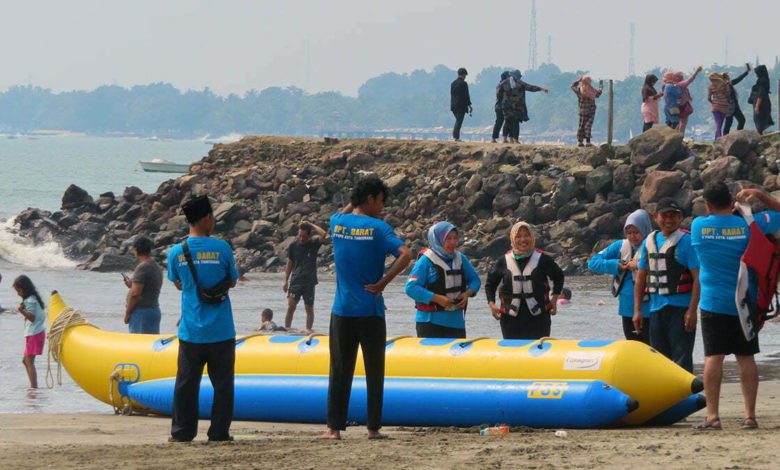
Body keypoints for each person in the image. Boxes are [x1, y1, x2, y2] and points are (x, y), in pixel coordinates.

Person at [322, 176, 412, 440]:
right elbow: (406, 254)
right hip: (370, 311)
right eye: (381, 201)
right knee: (374, 370)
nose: (383, 207)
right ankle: (373, 428)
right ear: (371, 199)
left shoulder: (337, 222)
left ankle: (334, 429)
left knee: (339, 370)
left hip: (342, 310)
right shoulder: (379, 228)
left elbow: (344, 211)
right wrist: (384, 281)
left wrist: (355, 200)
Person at [690, 183, 780, 430]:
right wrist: (760, 196)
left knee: (713, 357)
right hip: (745, 302)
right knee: (746, 356)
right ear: (732, 202)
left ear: (708, 204)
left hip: (712, 302)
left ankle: (712, 416)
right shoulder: (750, 225)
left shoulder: (698, 227)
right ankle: (750, 415)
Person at [167, 195, 239, 443]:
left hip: (191, 331)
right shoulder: (222, 248)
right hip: (221, 330)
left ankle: (182, 433)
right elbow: (232, 280)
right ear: (207, 218)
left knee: (186, 385)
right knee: (223, 386)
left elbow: (177, 282)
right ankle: (219, 433)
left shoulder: (176, 252)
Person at [633, 198, 700, 372]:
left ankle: (686, 398)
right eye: (665, 215)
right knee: (659, 359)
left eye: (674, 215)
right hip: (655, 310)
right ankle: (665, 398)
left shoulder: (686, 242)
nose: (669, 220)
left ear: (680, 218)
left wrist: (692, 311)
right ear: (656, 217)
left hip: (681, 310)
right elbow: (641, 277)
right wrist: (637, 310)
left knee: (682, 357)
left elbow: (698, 278)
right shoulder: (649, 241)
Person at [485, 222, 564, 339]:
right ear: (513, 239)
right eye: (518, 236)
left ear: (532, 237)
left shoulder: (543, 259)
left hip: (539, 318)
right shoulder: (503, 261)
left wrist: (554, 298)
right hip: (510, 320)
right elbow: (490, 284)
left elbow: (559, 276)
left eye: (526, 235)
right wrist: (491, 304)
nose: (523, 239)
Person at [404, 221, 481, 338]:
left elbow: (475, 280)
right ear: (438, 239)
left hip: (456, 323)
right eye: (448, 239)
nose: (453, 242)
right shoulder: (426, 261)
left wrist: (467, 293)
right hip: (429, 322)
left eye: (455, 238)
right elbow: (410, 288)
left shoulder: (461, 259)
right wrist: (437, 298)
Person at [588, 209, 653, 343]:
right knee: (632, 345)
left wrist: (640, 265)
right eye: (629, 233)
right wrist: (618, 264)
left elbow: (664, 265)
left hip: (650, 307)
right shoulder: (620, 246)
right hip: (627, 307)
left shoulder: (654, 245)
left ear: (645, 230)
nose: (632, 236)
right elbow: (593, 263)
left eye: (636, 232)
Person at [283, 220, 328, 332]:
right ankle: (287, 329)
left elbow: (324, 235)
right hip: (296, 281)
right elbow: (289, 263)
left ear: (308, 235)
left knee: (309, 308)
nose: (301, 238)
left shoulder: (314, 243)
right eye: (300, 235)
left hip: (309, 282)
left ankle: (308, 330)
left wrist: (311, 225)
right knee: (291, 306)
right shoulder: (293, 245)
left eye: (303, 236)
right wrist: (285, 280)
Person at [123, 236, 163, 334]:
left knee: (138, 346)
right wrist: (131, 285)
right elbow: (148, 287)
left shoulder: (142, 267)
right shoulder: (156, 266)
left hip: (142, 313)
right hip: (153, 310)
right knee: (150, 346)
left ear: (136, 249)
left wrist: (127, 313)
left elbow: (135, 294)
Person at [497, 70, 549, 144]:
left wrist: (502, 101)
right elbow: (530, 87)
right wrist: (541, 89)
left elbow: (498, 94)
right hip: (517, 106)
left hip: (506, 106)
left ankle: (505, 139)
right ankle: (515, 140)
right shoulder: (519, 83)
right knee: (515, 123)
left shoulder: (504, 83)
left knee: (507, 122)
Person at [13, 275, 46, 388]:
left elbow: (32, 317)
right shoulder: (33, 299)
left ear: (25, 289)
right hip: (35, 333)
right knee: (25, 361)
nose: (18, 293)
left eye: (19, 290)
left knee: (29, 361)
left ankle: (34, 387)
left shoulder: (30, 300)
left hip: (34, 333)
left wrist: (21, 310)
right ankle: (33, 386)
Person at [571, 76, 603, 146]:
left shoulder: (580, 90)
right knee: (588, 126)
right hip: (590, 111)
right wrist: (601, 84)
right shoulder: (593, 90)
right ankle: (587, 142)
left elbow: (572, 86)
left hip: (583, 111)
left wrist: (578, 80)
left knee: (581, 125)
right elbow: (599, 93)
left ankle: (580, 141)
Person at [723, 63, 751, 135]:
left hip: (735, 107)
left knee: (741, 120)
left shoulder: (730, 84)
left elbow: (739, 79)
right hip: (729, 108)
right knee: (728, 124)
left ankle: (737, 135)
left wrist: (747, 72)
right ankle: (724, 139)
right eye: (727, 78)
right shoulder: (722, 87)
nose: (728, 79)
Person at [749, 65, 774, 134]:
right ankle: (760, 134)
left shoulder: (761, 80)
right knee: (761, 118)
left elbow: (761, 93)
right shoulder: (765, 79)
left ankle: (760, 135)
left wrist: (757, 105)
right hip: (765, 101)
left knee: (759, 119)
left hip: (761, 103)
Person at [450, 67, 472, 142]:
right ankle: (456, 137)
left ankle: (455, 136)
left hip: (453, 105)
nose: (465, 77)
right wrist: (469, 105)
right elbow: (466, 95)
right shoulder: (464, 84)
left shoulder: (453, 83)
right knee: (459, 121)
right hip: (461, 105)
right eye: (465, 75)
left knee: (458, 120)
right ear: (463, 75)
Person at [708, 73, 731, 139]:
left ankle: (717, 139)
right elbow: (728, 94)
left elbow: (709, 98)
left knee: (718, 124)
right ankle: (719, 138)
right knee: (719, 124)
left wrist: (713, 103)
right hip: (724, 107)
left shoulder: (711, 87)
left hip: (715, 107)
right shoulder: (725, 85)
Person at [492, 71, 510, 143]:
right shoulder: (503, 85)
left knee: (500, 122)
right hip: (501, 106)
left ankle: (495, 138)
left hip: (499, 106)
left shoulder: (500, 84)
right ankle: (501, 139)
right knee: (501, 122)